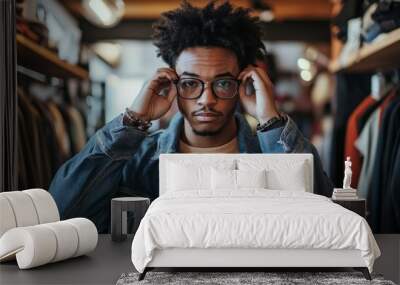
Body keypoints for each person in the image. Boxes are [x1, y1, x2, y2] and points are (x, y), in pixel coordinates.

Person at [49, 1, 334, 233]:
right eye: (190, 83)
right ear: (171, 84)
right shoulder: (141, 158)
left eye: (223, 83)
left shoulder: (269, 153)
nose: (206, 99)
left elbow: (326, 218)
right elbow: (65, 213)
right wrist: (133, 119)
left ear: (242, 84)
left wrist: (271, 120)